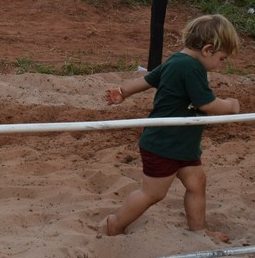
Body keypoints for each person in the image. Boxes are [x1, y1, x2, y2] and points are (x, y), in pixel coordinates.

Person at [103, 14, 241, 239]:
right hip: (164, 144)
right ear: (207, 50)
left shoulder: (177, 60)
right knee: (153, 193)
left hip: (183, 144)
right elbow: (206, 104)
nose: (221, 64)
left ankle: (199, 230)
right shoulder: (191, 67)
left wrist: (123, 91)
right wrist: (231, 105)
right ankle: (115, 223)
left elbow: (148, 79)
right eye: (222, 58)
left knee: (196, 182)